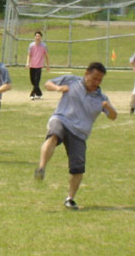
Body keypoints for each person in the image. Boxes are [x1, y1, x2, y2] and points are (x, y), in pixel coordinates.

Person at [34, 62, 117, 210]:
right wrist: (58, 88)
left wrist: (108, 107)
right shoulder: (71, 80)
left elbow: (113, 116)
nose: (96, 82)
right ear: (86, 74)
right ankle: (41, 167)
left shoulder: (101, 97)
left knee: (77, 168)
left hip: (79, 132)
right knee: (53, 135)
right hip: (62, 119)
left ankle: (70, 199)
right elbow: (48, 84)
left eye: (100, 80)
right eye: (94, 78)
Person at [26, 31, 49, 100]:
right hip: (32, 65)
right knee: (32, 81)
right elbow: (29, 55)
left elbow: (46, 56)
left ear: (41, 37)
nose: (37, 37)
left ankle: (32, 94)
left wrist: (48, 65)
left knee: (36, 81)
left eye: (39, 36)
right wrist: (27, 63)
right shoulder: (31, 45)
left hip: (39, 66)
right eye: (36, 36)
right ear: (34, 37)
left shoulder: (44, 46)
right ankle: (39, 93)